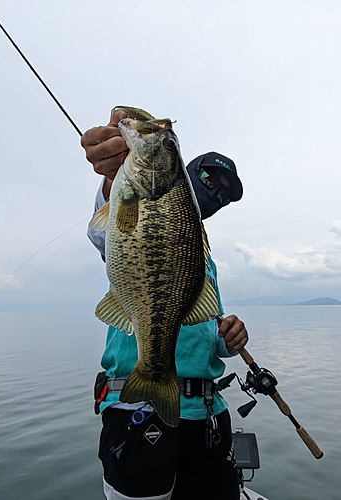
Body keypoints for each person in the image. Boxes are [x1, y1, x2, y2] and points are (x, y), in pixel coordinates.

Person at [81, 109, 249, 500]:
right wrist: (110, 180)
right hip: (136, 410)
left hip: (208, 417)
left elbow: (200, 321)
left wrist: (228, 339)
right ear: (187, 174)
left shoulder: (202, 257)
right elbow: (104, 233)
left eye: (225, 193)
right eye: (210, 180)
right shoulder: (146, 206)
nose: (216, 193)